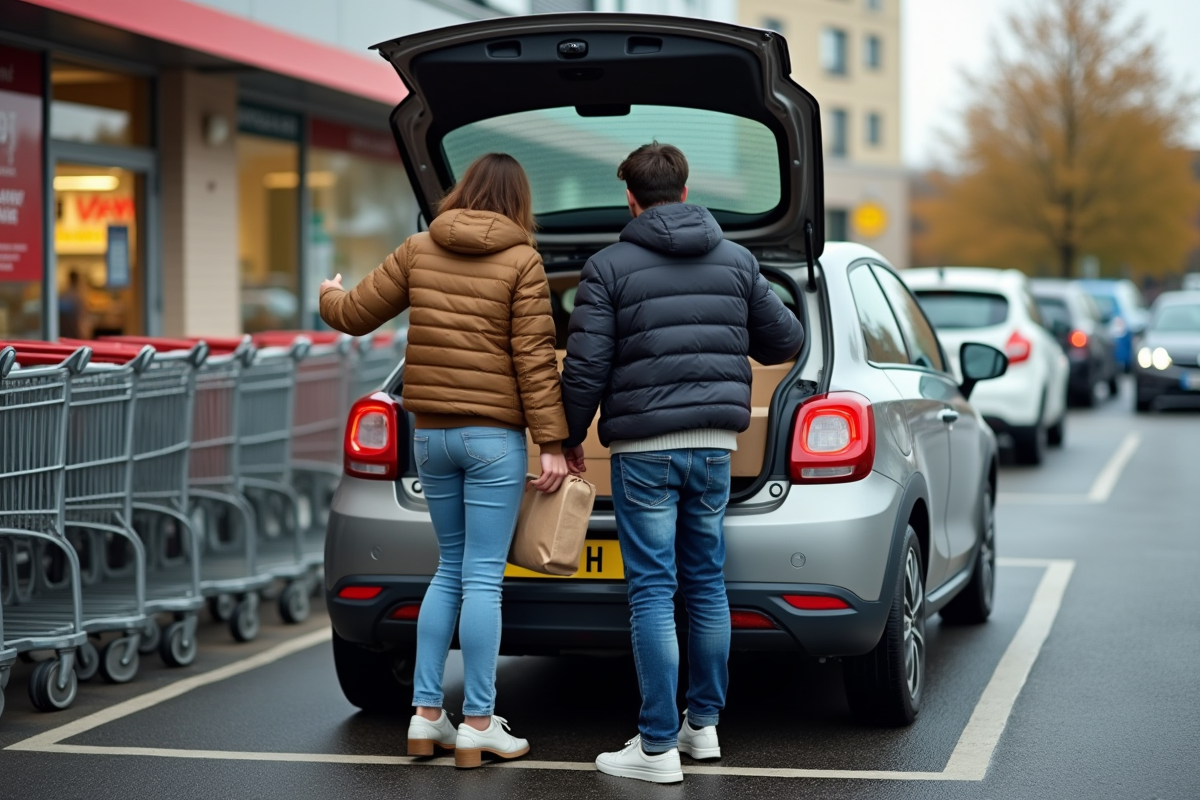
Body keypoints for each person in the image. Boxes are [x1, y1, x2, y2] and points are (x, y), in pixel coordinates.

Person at [560, 142, 804, 784]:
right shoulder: (738, 260)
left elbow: (585, 367)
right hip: (715, 448)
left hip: (643, 451)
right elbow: (787, 339)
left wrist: (566, 436)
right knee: (706, 585)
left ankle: (657, 746)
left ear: (631, 199)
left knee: (652, 590)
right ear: (686, 192)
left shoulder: (607, 267)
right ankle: (704, 727)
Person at [319, 153, 570, 769]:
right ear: (518, 202)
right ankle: (478, 723)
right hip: (492, 441)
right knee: (483, 576)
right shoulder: (523, 261)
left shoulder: (419, 248)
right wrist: (553, 443)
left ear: (463, 191)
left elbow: (353, 314)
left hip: (430, 437)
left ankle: (426, 714)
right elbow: (535, 360)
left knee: (448, 569)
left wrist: (328, 294)